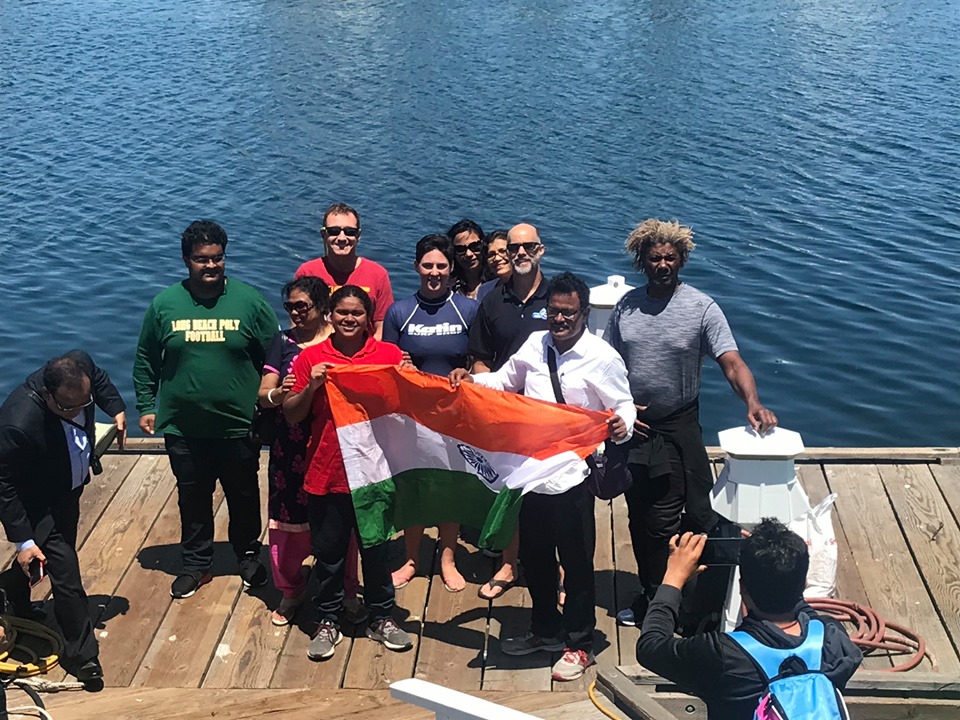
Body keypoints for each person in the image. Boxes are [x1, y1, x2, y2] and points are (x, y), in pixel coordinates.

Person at [450, 272, 635, 681]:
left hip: (574, 477)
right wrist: (471, 380)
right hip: (532, 475)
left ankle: (580, 643)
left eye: (569, 312)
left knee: (577, 564)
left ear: (584, 313)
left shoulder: (602, 357)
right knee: (535, 560)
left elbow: (624, 404)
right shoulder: (535, 344)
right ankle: (545, 629)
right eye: (554, 311)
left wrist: (621, 424)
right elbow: (503, 382)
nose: (560, 319)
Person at [605, 219, 779, 627]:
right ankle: (653, 596)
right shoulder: (625, 308)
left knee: (698, 513)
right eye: (655, 258)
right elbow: (605, 365)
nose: (663, 265)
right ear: (642, 262)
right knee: (644, 517)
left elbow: (732, 362)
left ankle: (695, 601)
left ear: (682, 260)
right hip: (636, 430)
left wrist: (752, 401)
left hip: (681, 426)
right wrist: (617, 408)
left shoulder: (702, 308)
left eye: (670, 258)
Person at [133, 220, 279, 600]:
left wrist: (270, 401)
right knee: (192, 498)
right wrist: (146, 405)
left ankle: (248, 556)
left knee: (243, 495)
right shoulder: (164, 304)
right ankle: (197, 563)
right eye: (202, 259)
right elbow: (147, 359)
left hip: (238, 425)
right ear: (186, 260)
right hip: (183, 427)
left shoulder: (249, 301)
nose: (211, 266)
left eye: (218, 258)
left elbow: (277, 353)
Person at [284, 285, 413, 660]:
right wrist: (312, 387)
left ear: (368, 318)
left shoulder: (389, 355)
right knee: (329, 555)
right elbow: (292, 414)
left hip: (375, 473)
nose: (349, 319)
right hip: (327, 471)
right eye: (342, 312)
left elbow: (409, 407)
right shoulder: (311, 358)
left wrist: (409, 378)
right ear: (329, 315)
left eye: (357, 313)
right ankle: (327, 619)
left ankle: (382, 617)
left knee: (377, 551)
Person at [635, 520, 862, 718]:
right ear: (803, 584)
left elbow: (650, 646)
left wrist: (674, 577)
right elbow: (804, 612)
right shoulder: (831, 636)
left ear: (742, 588)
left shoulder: (722, 654)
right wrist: (778, 563)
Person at [0, 351, 127, 687]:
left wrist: (115, 408)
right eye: (69, 408)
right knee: (66, 572)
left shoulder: (78, 369)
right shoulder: (17, 424)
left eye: (84, 404)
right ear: (47, 395)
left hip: (67, 491)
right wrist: (23, 541)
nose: (78, 411)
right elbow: (3, 485)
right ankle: (83, 655)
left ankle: (10, 594)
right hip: (37, 502)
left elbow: (99, 379)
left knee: (48, 557)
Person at [257, 277, 367, 627]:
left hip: (335, 444)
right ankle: (291, 590)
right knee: (288, 517)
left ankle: (347, 589)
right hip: (290, 445)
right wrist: (279, 394)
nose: (295, 313)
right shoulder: (282, 342)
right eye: (289, 306)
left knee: (341, 521)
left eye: (302, 306)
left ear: (322, 308)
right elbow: (263, 394)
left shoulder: (343, 340)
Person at [383, 234, 479, 593]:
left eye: (441, 266)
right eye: (427, 266)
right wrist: (401, 367)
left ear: (451, 268)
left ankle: (447, 558)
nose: (434, 272)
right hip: (412, 415)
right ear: (416, 267)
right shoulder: (399, 312)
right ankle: (412, 558)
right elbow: (387, 365)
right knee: (416, 485)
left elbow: (480, 360)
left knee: (451, 485)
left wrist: (468, 370)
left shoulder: (468, 310)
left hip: (455, 414)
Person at [467, 222, 549, 600]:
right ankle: (509, 563)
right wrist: (492, 400)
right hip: (505, 410)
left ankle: (555, 567)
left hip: (548, 413)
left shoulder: (557, 297)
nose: (520, 253)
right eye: (514, 247)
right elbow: (479, 358)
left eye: (527, 247)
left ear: (540, 250)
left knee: (548, 492)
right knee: (508, 488)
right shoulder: (492, 300)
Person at [295, 202, 394, 340]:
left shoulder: (378, 274)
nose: (342, 238)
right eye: (334, 231)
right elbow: (298, 324)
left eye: (350, 232)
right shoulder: (307, 272)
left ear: (358, 235)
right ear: (323, 234)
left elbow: (382, 329)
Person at [447, 218, 486, 300]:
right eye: (460, 249)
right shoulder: (448, 285)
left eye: (475, 246)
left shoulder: (497, 281)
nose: (469, 254)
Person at [477, 229, 512, 302]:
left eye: (502, 251)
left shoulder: (531, 287)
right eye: (491, 255)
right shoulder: (485, 290)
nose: (497, 258)